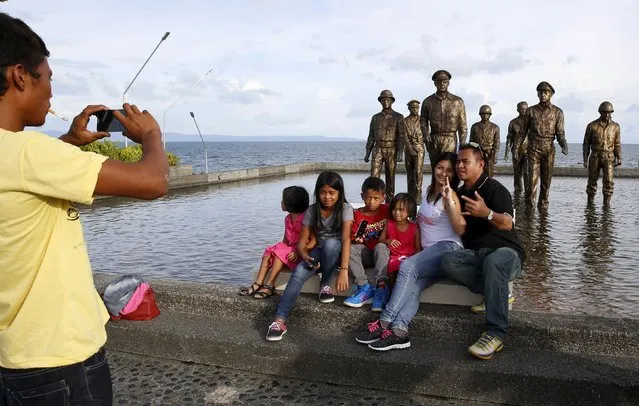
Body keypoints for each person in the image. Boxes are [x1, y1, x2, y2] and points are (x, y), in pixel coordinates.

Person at [0, 13, 168, 405]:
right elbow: (154, 182)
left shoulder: (24, 156)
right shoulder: (31, 153)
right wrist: (152, 136)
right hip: (60, 361)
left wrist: (70, 142)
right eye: (49, 78)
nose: (52, 93)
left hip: (13, 356)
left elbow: (22, 173)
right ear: (21, 76)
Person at [355, 153, 466, 351]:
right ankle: (399, 332)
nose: (443, 173)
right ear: (434, 167)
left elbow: (459, 229)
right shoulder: (429, 192)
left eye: (449, 170)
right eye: (440, 167)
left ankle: (384, 322)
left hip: (447, 248)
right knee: (413, 288)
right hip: (430, 255)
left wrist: (449, 200)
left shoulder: (451, 195)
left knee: (407, 266)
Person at [440, 143, 525, 360]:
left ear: (480, 164)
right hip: (477, 254)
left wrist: (486, 213)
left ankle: (495, 333)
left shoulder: (494, 188)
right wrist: (449, 202)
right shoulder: (458, 193)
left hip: (507, 253)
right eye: (458, 161)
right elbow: (459, 227)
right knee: (448, 261)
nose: (460, 165)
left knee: (494, 262)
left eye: (465, 161)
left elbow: (507, 224)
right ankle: (496, 293)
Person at [265, 171, 353, 341]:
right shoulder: (312, 210)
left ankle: (325, 283)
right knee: (298, 273)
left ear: (339, 193)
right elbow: (301, 241)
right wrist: (305, 256)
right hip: (316, 252)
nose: (327, 197)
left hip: (336, 251)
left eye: (331, 193)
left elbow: (346, 238)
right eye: (322, 192)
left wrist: (343, 270)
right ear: (317, 192)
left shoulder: (345, 209)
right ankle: (279, 320)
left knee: (331, 243)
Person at [239, 186, 313, 299]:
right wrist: (276, 250)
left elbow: (314, 240)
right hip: (290, 250)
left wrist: (299, 251)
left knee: (279, 254)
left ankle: (270, 285)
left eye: (283, 200)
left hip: (301, 253)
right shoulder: (288, 219)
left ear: (291, 203)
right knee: (270, 251)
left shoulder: (305, 219)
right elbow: (285, 240)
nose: (281, 202)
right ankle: (258, 283)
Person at [514, 81, 568, 210]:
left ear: (551, 94)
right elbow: (522, 133)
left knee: (546, 182)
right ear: (538, 94)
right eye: (541, 92)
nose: (543, 95)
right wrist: (516, 148)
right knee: (531, 182)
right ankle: (529, 208)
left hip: (549, 148)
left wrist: (564, 145)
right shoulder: (530, 111)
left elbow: (560, 133)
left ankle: (543, 208)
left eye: (546, 92)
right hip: (533, 148)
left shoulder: (558, 112)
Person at [343, 177, 389, 308]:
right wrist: (356, 240)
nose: (372, 202)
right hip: (367, 254)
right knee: (350, 248)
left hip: (384, 254)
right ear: (362, 196)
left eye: (376, 198)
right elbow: (351, 237)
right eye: (368, 197)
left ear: (383, 197)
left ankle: (382, 287)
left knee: (380, 246)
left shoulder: (388, 210)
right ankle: (363, 286)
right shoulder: (356, 214)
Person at [372, 193, 420, 312]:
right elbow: (380, 240)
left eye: (401, 210)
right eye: (394, 209)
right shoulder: (389, 224)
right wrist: (389, 241)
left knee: (402, 269)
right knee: (393, 265)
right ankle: (391, 296)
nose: (396, 212)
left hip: (409, 257)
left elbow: (418, 248)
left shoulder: (414, 228)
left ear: (409, 211)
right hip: (393, 256)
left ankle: (399, 297)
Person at [365, 90, 407, 202]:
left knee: (390, 177)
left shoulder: (398, 117)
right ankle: (373, 200)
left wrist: (400, 152)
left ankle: (389, 202)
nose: (385, 101)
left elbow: (401, 136)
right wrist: (367, 153)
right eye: (383, 100)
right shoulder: (375, 117)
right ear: (380, 101)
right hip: (378, 148)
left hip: (391, 148)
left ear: (392, 101)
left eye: (388, 99)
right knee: (373, 177)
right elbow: (371, 136)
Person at [421, 70, 467, 169]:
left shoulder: (457, 101)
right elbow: (423, 120)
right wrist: (426, 135)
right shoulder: (428, 101)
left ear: (448, 83)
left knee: (449, 166)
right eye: (439, 81)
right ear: (435, 83)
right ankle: (435, 185)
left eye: (445, 81)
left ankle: (450, 185)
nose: (442, 83)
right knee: (435, 167)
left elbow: (462, 124)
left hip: (450, 138)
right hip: (434, 139)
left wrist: (462, 143)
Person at [583, 101, 622, 206]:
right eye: (605, 112)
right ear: (600, 112)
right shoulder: (592, 126)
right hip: (595, 156)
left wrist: (619, 157)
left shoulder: (615, 127)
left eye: (609, 112)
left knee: (609, 181)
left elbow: (617, 143)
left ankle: (607, 205)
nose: (607, 115)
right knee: (592, 181)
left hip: (609, 157)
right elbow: (586, 144)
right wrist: (585, 159)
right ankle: (590, 204)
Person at [404, 100, 426, 205]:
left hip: (420, 148)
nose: (415, 110)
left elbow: (426, 134)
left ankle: (418, 197)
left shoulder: (423, 120)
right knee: (410, 174)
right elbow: (404, 136)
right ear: (409, 108)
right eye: (413, 108)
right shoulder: (405, 121)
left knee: (418, 173)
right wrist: (409, 148)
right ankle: (410, 196)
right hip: (408, 149)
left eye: (417, 108)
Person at [505, 101, 529, 192]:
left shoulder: (531, 122)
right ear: (517, 110)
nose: (523, 110)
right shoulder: (513, 122)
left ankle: (528, 191)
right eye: (521, 109)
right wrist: (507, 150)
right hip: (516, 151)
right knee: (517, 173)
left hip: (528, 150)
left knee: (527, 172)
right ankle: (518, 191)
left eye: (525, 109)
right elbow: (509, 137)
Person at [469, 105, 500, 177]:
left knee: (489, 175)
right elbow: (471, 142)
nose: (485, 115)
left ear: (490, 115)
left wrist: (495, 156)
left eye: (487, 114)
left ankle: (488, 188)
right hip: (477, 153)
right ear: (480, 114)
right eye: (483, 114)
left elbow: (497, 143)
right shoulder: (475, 126)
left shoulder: (495, 127)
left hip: (489, 155)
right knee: (476, 174)